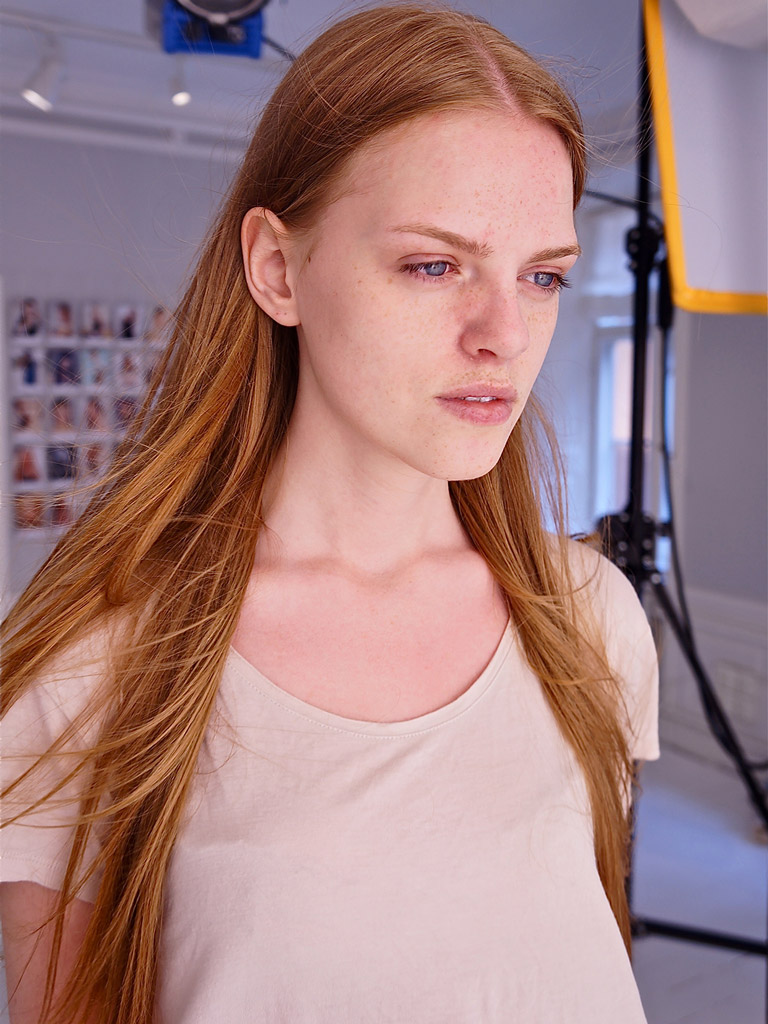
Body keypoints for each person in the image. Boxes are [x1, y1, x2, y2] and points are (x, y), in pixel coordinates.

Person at [0, 6, 659, 1023]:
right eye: (434, 264)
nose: (504, 333)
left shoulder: (592, 619)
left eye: (542, 276)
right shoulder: (101, 660)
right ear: (278, 268)